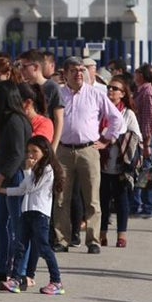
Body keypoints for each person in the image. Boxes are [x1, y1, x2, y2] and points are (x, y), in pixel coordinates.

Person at [52, 56, 123, 252]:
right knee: (61, 197)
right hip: (63, 151)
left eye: (81, 70)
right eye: (74, 70)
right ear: (65, 73)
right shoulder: (58, 94)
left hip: (88, 150)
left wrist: (107, 139)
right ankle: (62, 239)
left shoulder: (95, 94)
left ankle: (93, 240)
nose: (78, 74)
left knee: (92, 197)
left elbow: (116, 119)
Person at [0, 137, 66, 295]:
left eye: (35, 151)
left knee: (44, 247)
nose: (31, 155)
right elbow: (21, 189)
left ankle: (56, 281)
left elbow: (32, 188)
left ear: (45, 152)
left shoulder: (48, 170)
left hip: (40, 214)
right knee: (20, 246)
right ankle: (15, 279)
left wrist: (28, 170)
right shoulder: (34, 171)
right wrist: (3, 191)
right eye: (28, 151)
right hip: (26, 213)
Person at [0, 80, 33, 287]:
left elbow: (18, 154)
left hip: (15, 177)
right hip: (9, 175)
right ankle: (0, 269)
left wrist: (0, 177)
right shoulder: (11, 120)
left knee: (18, 226)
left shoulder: (15, 120)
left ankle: (20, 273)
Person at [99, 75, 141, 247]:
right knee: (102, 201)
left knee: (121, 200)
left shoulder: (128, 113)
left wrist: (116, 138)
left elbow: (137, 136)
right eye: (109, 87)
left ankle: (121, 235)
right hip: (102, 163)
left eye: (115, 88)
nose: (111, 90)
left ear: (123, 94)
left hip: (120, 164)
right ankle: (101, 233)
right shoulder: (102, 110)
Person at [133, 63, 152, 218]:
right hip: (143, 137)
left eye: (137, 72)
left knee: (147, 172)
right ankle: (138, 204)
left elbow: (149, 120)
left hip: (147, 138)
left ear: (142, 75)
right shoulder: (141, 91)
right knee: (142, 172)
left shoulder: (147, 92)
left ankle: (147, 207)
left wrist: (147, 143)